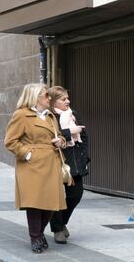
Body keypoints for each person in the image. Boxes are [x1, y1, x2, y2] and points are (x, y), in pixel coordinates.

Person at [4, 83, 67, 254]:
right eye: (46, 95)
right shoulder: (22, 115)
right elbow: (10, 141)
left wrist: (60, 141)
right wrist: (28, 154)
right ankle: (35, 237)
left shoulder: (50, 116)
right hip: (31, 166)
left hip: (51, 163)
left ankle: (39, 233)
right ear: (36, 97)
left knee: (51, 204)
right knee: (35, 204)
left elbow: (59, 135)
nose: (49, 98)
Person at [47, 86, 90, 244]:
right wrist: (69, 132)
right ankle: (58, 229)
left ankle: (62, 222)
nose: (68, 101)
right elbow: (49, 137)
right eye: (63, 99)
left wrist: (84, 157)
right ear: (52, 101)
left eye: (67, 98)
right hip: (56, 160)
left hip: (74, 161)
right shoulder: (49, 117)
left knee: (75, 195)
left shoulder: (72, 114)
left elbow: (83, 136)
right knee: (56, 197)